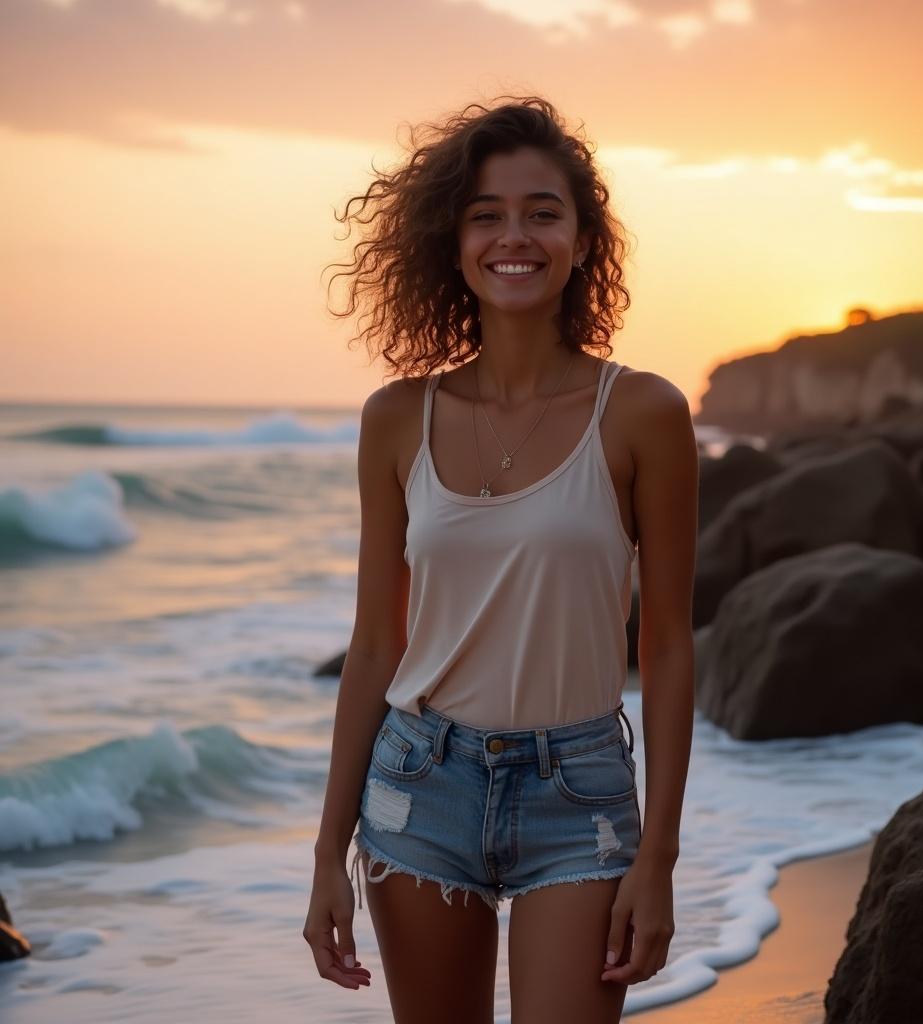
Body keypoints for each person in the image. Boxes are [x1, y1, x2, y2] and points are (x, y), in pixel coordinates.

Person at [304, 95, 697, 1023]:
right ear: (451, 242)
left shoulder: (643, 413)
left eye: (541, 212)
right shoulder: (397, 419)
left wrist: (661, 858)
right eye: (486, 215)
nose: (512, 236)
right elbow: (373, 645)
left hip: (580, 793)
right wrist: (326, 853)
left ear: (582, 239)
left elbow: (673, 645)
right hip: (418, 785)